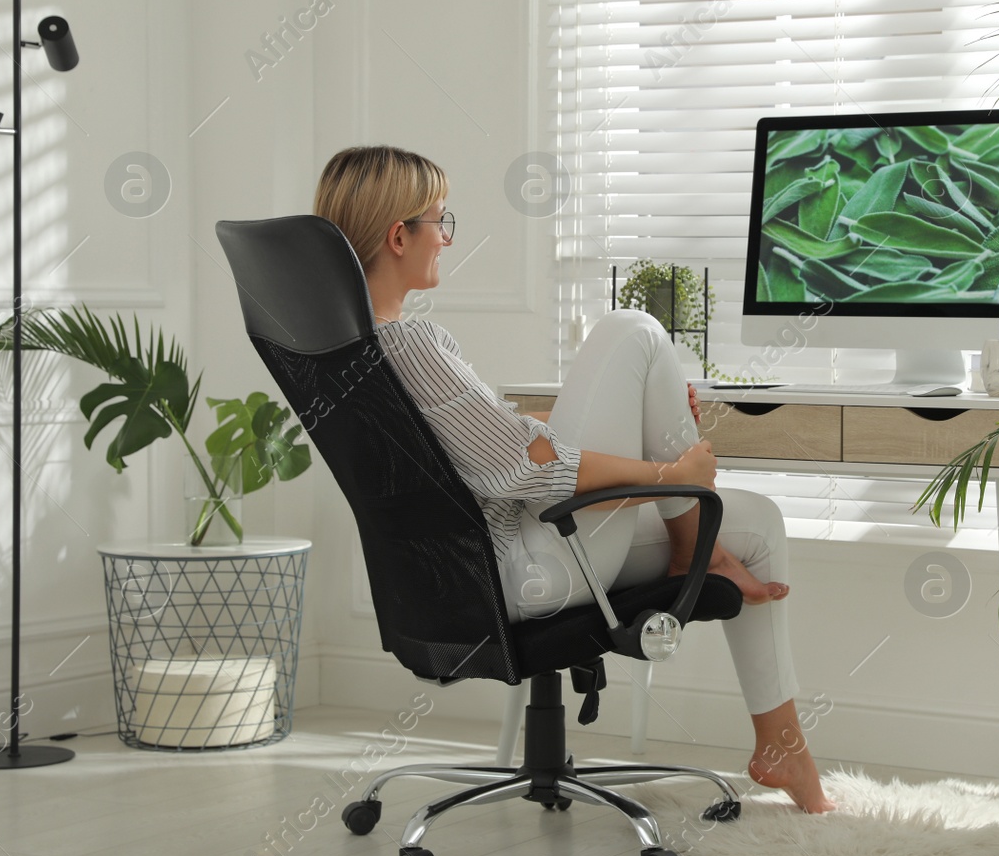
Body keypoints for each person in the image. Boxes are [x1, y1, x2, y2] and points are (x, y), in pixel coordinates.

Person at [312, 145, 833, 813]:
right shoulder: (412, 343)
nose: (445, 237)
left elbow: (495, 440)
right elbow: (533, 466)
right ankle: (688, 542)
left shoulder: (361, 353)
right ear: (398, 235)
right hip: (531, 565)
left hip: (467, 575)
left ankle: (782, 747)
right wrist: (668, 474)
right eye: (441, 221)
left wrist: (649, 423)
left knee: (754, 520)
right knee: (635, 328)